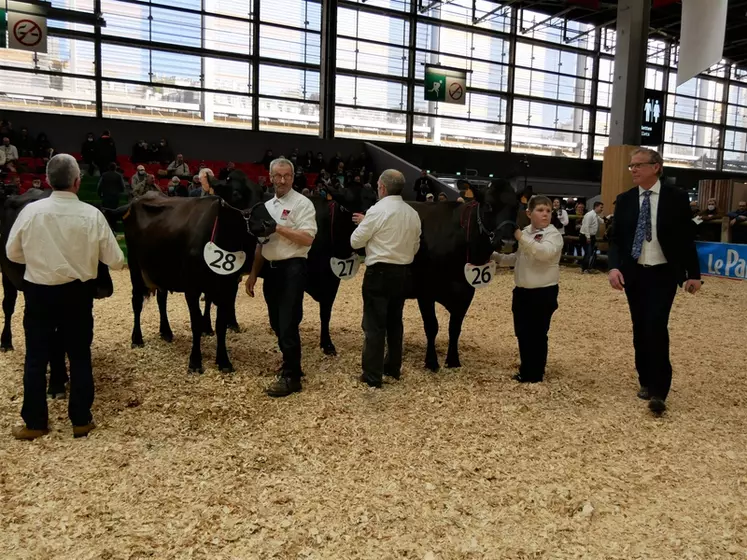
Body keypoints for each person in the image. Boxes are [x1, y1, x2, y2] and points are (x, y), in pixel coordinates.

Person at [6, 154, 125, 440]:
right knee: (80, 355)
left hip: (39, 293)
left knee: (35, 357)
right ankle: (81, 420)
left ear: (48, 180)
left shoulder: (31, 212)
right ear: (77, 182)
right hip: (77, 294)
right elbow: (117, 260)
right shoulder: (92, 215)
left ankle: (35, 423)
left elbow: (12, 253)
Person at [608, 148, 701, 416]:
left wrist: (693, 274)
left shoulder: (676, 198)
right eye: (631, 166)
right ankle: (646, 380)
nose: (633, 170)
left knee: (656, 325)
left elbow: (685, 239)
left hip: (663, 273)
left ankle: (660, 390)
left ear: (656, 167)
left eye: (639, 165)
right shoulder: (624, 200)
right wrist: (613, 267)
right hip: (634, 272)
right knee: (640, 327)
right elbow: (616, 239)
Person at [245, 157, 317, 398]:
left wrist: (277, 228)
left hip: (293, 268)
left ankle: (292, 376)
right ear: (271, 177)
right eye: (278, 175)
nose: (283, 180)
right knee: (276, 322)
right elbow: (261, 243)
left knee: (287, 321)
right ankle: (290, 361)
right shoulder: (268, 205)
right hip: (271, 270)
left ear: (293, 177)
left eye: (287, 175)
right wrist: (253, 274)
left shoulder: (303, 204)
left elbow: (307, 238)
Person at [350, 169, 421, 388]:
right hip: (403, 273)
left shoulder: (376, 210)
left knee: (374, 325)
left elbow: (355, 241)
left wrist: (364, 223)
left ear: (381, 187)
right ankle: (392, 368)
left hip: (379, 273)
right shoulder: (412, 213)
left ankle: (373, 375)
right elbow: (415, 245)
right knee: (394, 322)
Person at [492, 196, 563, 383]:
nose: (545, 214)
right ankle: (526, 369)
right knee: (522, 333)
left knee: (538, 334)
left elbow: (543, 254)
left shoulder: (553, 234)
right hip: (522, 292)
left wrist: (519, 237)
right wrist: (494, 257)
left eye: (548, 211)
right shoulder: (526, 233)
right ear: (529, 213)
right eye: (540, 210)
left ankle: (536, 374)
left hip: (543, 292)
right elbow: (516, 258)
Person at [97, 163, 126, 229]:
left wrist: (99, 194)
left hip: (106, 196)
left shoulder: (104, 175)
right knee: (114, 213)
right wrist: (119, 192)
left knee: (106, 213)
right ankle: (113, 228)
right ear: (115, 168)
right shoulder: (119, 176)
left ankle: (105, 228)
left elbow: (99, 186)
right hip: (115, 197)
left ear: (108, 168)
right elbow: (123, 187)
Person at [579, 201, 604, 273]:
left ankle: (588, 268)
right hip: (586, 236)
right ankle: (584, 269)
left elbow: (602, 221)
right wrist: (588, 237)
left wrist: (608, 217)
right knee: (588, 253)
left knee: (590, 253)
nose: (602, 209)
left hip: (591, 236)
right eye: (601, 207)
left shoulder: (595, 215)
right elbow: (586, 226)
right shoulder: (589, 215)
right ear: (596, 207)